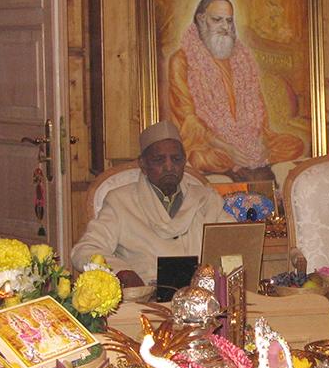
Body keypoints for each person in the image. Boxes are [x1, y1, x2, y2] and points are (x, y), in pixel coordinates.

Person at [71, 121, 234, 286]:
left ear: (184, 161)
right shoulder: (120, 201)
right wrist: (121, 272)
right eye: (159, 160)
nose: (169, 166)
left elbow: (237, 242)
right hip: (146, 302)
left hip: (203, 298)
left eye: (176, 159)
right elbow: (84, 250)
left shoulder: (206, 199)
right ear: (143, 164)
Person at [168, 0, 304, 182]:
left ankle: (248, 160)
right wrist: (228, 148)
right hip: (211, 144)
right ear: (201, 19)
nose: (225, 27)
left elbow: (259, 113)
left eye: (229, 21)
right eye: (217, 20)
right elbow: (188, 121)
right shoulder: (180, 61)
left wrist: (261, 143)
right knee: (199, 158)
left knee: (294, 144)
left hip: (247, 140)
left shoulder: (242, 59)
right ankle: (241, 162)